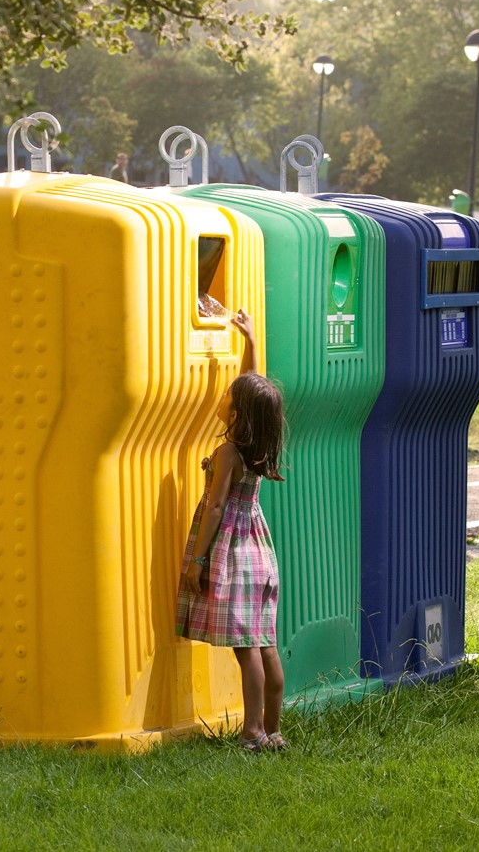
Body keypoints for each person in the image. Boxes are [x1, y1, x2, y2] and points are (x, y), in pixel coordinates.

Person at [175, 308, 288, 752]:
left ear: (236, 411)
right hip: (259, 549)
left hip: (233, 550)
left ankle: (253, 731)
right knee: (266, 643)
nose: (223, 396)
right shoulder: (256, 440)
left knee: (246, 648)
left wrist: (199, 560)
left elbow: (217, 505)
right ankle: (274, 731)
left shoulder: (227, 452)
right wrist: (251, 342)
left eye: (228, 395)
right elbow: (255, 391)